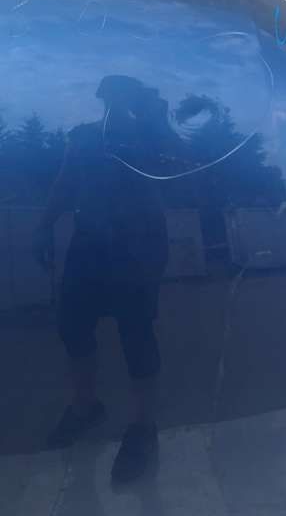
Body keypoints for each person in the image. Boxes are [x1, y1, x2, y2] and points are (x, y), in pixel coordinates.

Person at [34, 75, 174, 484]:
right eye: (112, 96)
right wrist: (44, 224)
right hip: (90, 241)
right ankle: (85, 406)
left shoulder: (153, 135)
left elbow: (180, 165)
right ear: (103, 99)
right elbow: (65, 182)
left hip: (139, 244)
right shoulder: (84, 137)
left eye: (126, 97)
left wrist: (159, 118)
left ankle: (144, 427)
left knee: (137, 331)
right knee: (72, 324)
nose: (118, 104)